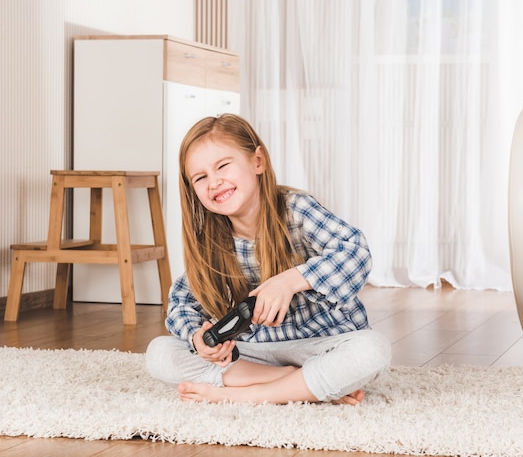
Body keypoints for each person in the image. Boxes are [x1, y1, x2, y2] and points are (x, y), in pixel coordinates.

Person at [145, 113, 391, 405]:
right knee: (160, 353)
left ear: (257, 161)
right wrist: (199, 338)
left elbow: (355, 251)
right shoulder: (213, 240)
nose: (214, 182)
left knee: (373, 350)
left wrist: (289, 282)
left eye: (223, 165)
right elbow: (182, 304)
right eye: (200, 177)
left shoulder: (297, 210)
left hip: (320, 345)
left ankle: (244, 395)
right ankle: (299, 384)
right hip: (256, 352)